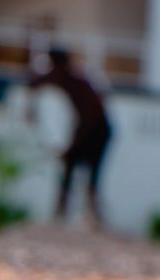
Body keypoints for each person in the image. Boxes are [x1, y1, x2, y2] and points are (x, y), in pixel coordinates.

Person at [27, 48, 112, 228]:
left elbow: (91, 121)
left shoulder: (77, 82)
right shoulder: (63, 78)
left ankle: (94, 219)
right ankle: (59, 216)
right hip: (87, 128)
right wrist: (30, 105)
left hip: (99, 131)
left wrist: (72, 147)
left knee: (91, 176)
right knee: (68, 172)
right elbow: (35, 82)